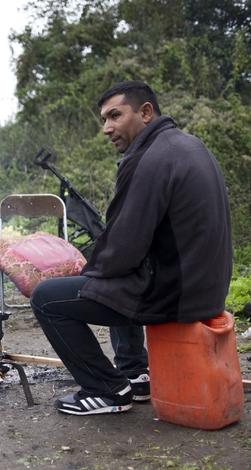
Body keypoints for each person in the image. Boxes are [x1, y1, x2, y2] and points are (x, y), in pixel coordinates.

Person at [31, 81, 232, 415]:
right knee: (113, 280)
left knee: (47, 298)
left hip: (178, 294)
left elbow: (123, 244)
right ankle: (136, 374)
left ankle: (107, 390)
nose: (107, 128)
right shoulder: (188, 145)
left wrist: (88, 276)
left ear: (145, 112)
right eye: (104, 120)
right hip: (203, 287)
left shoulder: (150, 159)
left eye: (114, 115)